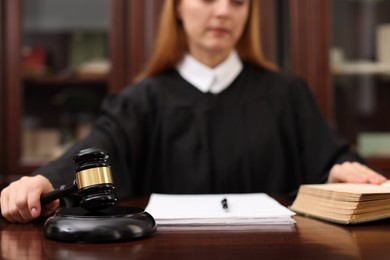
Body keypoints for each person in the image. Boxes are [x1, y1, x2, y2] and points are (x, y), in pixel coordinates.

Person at [1, 0, 387, 223]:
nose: (222, 12)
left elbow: (331, 158)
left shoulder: (287, 94)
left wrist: (340, 170)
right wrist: (45, 182)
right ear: (178, 10)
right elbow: (99, 150)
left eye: (237, 2)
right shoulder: (141, 99)